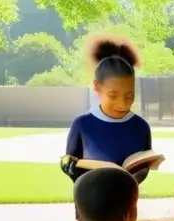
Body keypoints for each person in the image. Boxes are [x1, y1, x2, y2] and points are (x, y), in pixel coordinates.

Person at [61, 35, 154, 184]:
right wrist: (69, 166)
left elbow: (144, 168)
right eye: (113, 95)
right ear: (97, 86)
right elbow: (71, 163)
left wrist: (129, 182)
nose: (122, 104)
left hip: (126, 202)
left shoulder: (141, 127)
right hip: (89, 201)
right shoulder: (82, 124)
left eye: (129, 96)